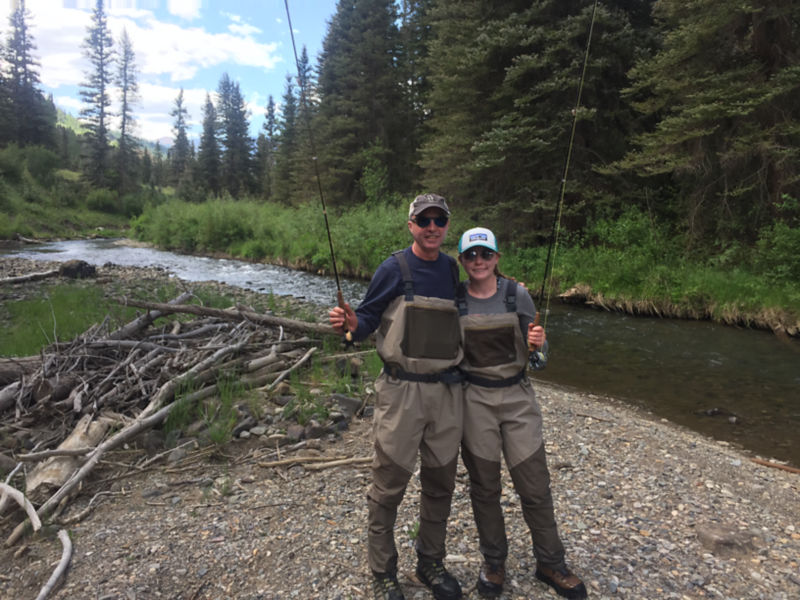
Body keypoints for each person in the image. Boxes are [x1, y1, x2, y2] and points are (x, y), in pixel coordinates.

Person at [330, 193, 465, 600]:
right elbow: (366, 319)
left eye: (439, 220)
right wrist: (351, 324)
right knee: (388, 485)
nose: (431, 228)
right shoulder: (393, 268)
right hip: (401, 392)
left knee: (441, 483)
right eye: (424, 220)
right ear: (411, 225)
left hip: (446, 393)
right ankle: (383, 572)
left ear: (447, 226)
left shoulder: (452, 269)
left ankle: (430, 562)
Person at [455, 227, 587, 599]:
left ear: (497, 258)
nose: (479, 261)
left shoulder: (518, 295)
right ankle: (494, 563)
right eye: (471, 255)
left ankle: (551, 563)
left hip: (518, 399)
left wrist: (540, 346)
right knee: (484, 489)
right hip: (474, 401)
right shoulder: (454, 298)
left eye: (486, 254)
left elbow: (540, 361)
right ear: (462, 261)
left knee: (535, 486)